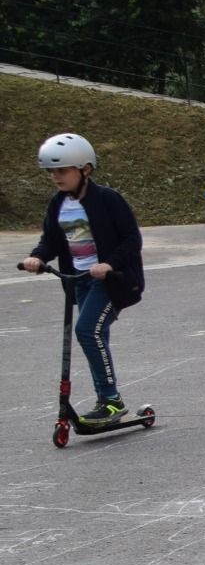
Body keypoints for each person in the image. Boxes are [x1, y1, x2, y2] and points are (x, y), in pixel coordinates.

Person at [22, 133, 144, 423]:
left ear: (85, 169)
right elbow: (51, 240)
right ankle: (107, 398)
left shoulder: (107, 199)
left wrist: (107, 263)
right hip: (78, 280)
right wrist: (38, 258)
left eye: (62, 170)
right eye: (51, 171)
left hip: (110, 280)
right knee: (95, 335)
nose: (55, 177)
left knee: (87, 331)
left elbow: (131, 239)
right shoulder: (58, 204)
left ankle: (111, 400)